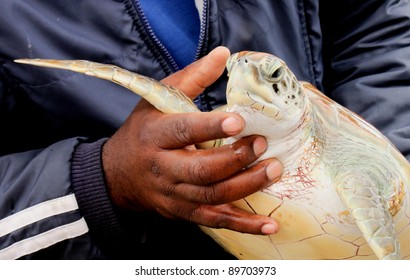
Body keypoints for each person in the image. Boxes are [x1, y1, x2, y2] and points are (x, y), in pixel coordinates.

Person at [0, 0, 409, 259]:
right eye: (238, 70)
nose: (246, 77)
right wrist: (101, 180)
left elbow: (377, 20)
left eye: (268, 77)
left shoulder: (352, 167)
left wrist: (390, 166)